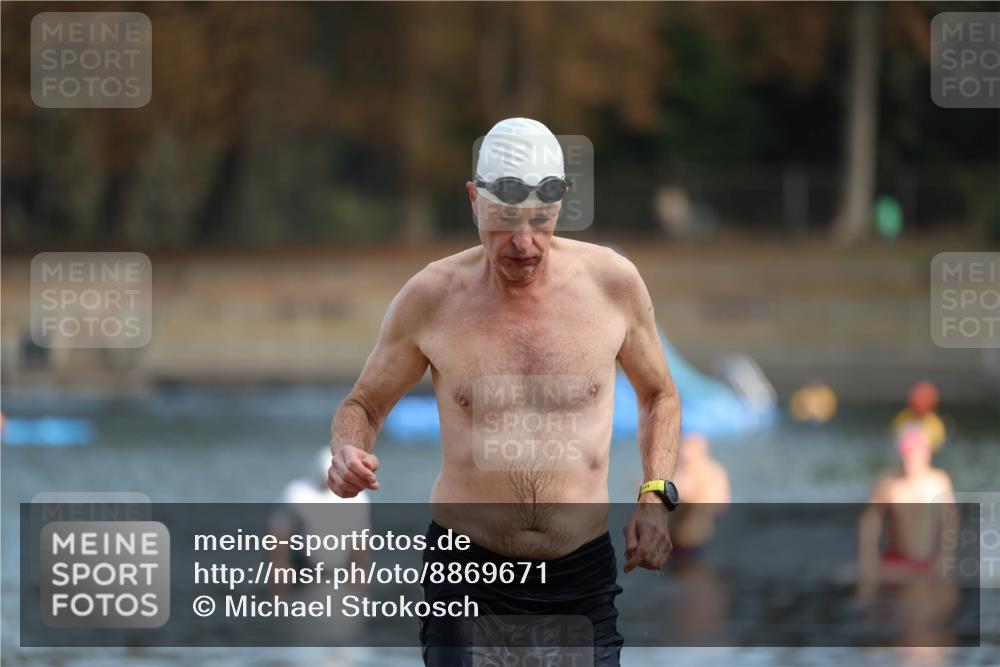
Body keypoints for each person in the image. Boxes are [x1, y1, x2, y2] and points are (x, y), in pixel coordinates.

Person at [326, 117, 682, 666]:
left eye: (540, 222)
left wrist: (655, 495)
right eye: (504, 222)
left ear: (560, 205)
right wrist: (347, 449)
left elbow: (659, 395)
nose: (523, 243)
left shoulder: (612, 285)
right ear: (474, 201)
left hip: (579, 577)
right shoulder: (431, 297)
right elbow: (362, 406)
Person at [856, 428, 957, 603]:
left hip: (927, 559)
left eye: (914, 455)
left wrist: (946, 556)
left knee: (937, 607)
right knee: (875, 603)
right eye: (906, 455)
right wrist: (868, 559)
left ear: (926, 454)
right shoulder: (888, 482)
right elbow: (869, 522)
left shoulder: (939, 482)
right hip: (895, 560)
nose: (909, 460)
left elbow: (950, 522)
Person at [669, 432, 731, 558]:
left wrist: (685, 496)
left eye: (689, 446)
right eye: (683, 446)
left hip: (699, 542)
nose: (685, 451)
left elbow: (719, 506)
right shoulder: (675, 470)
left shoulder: (713, 472)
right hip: (671, 541)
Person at [891, 380, 947, 451]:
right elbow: (894, 439)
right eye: (918, 398)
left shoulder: (936, 425)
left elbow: (937, 445)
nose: (920, 401)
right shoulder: (902, 418)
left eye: (925, 399)